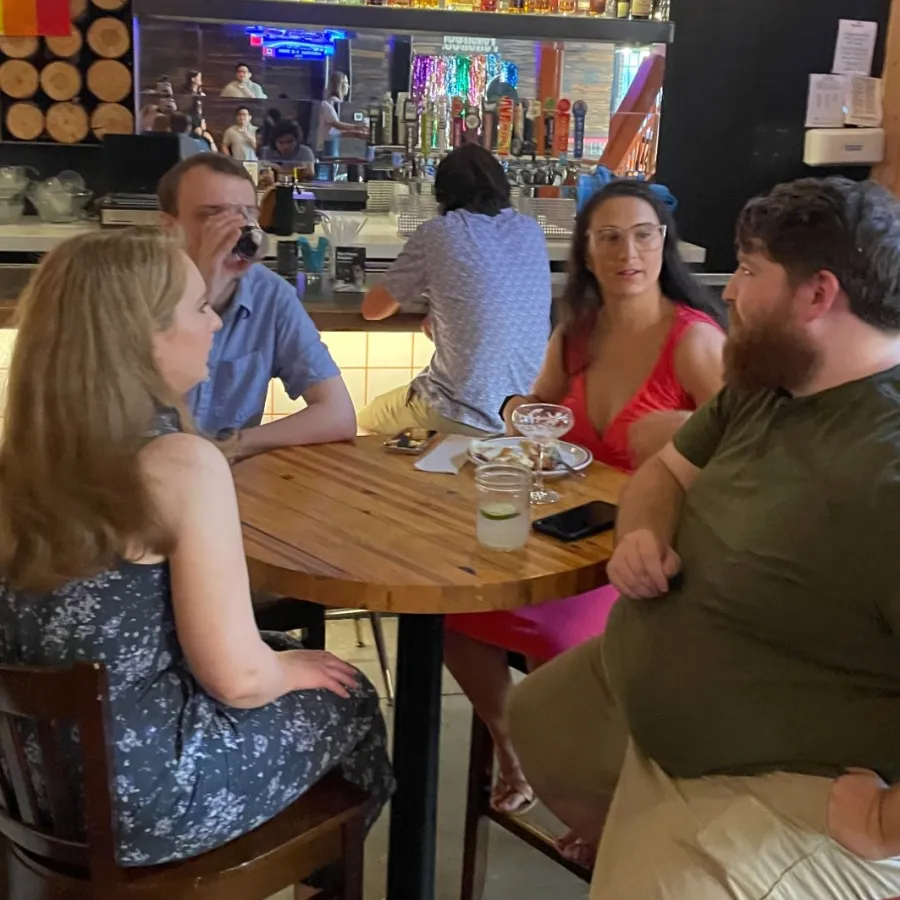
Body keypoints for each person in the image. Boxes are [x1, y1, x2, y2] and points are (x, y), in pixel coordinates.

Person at [507, 177, 900, 900]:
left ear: (817, 295)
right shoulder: (769, 385)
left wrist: (882, 820)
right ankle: (623, 835)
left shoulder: (884, 469)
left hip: (778, 779)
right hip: (641, 692)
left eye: (749, 272)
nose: (731, 293)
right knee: (533, 715)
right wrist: (641, 534)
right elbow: (667, 473)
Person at [0, 227, 394, 866]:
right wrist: (290, 670)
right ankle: (323, 876)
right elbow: (238, 678)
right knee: (349, 695)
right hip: (142, 802)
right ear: (143, 337)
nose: (214, 323)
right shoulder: (179, 464)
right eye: (198, 307)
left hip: (29, 786)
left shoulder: (20, 462)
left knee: (287, 657)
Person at [443, 180, 725, 828]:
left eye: (643, 234)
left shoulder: (694, 341)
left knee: (559, 638)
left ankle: (589, 798)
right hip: (565, 530)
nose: (628, 250)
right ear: (588, 254)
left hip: (641, 553)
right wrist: (519, 413)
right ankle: (514, 749)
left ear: (664, 245)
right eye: (609, 237)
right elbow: (533, 401)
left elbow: (742, 453)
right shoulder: (579, 332)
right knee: (455, 619)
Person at [157, 153, 356, 456]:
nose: (234, 230)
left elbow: (339, 414)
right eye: (212, 215)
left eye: (246, 214)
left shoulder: (270, 294)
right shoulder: (132, 292)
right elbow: (147, 424)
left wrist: (234, 445)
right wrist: (204, 290)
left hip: (228, 479)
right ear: (169, 227)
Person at [358, 143, 552, 435]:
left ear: (442, 193)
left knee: (365, 419)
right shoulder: (530, 229)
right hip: (521, 415)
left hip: (460, 410)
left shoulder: (439, 232)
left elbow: (373, 310)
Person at [315, 70, 367, 158]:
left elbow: (335, 132)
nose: (349, 86)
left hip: (332, 144)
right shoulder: (328, 104)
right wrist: (358, 127)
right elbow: (336, 124)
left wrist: (356, 134)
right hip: (325, 146)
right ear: (340, 85)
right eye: (346, 83)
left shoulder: (335, 104)